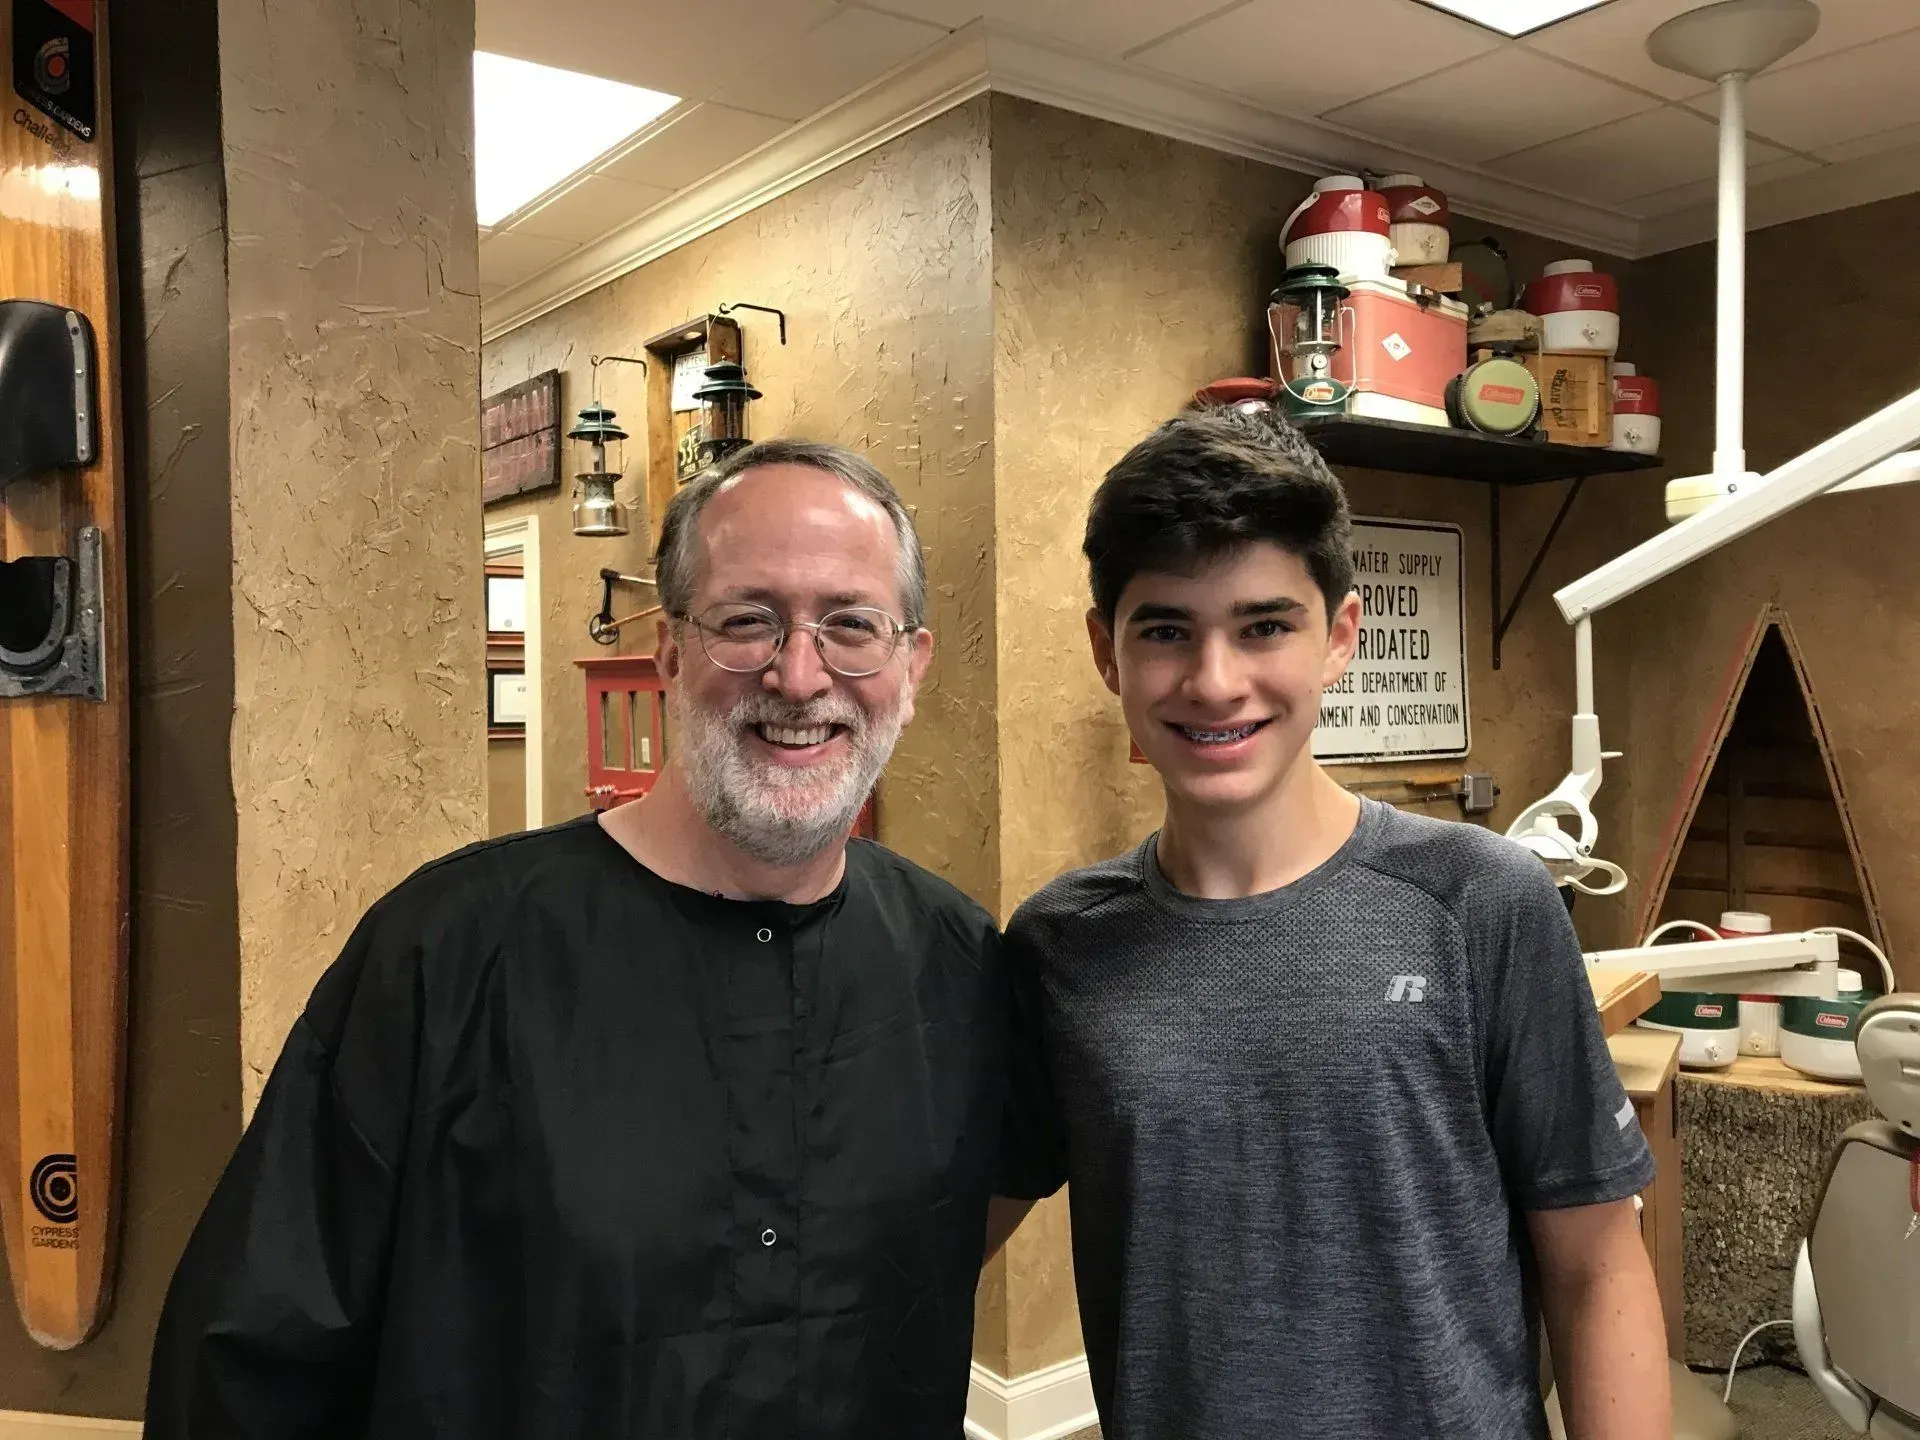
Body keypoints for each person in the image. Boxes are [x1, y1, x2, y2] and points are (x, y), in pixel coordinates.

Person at [147, 438, 1029, 1439]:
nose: (797, 674)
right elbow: (249, 1364)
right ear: (667, 653)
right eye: (747, 620)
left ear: (912, 664)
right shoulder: (446, 956)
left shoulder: (958, 964)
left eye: (851, 625)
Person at [996, 406, 1672, 1439]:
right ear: (1107, 652)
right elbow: (943, 1228)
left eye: (1264, 626)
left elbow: (1595, 1268)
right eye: (1167, 630)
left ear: (1340, 637)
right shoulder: (1060, 947)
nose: (1216, 681)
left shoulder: (1482, 904)